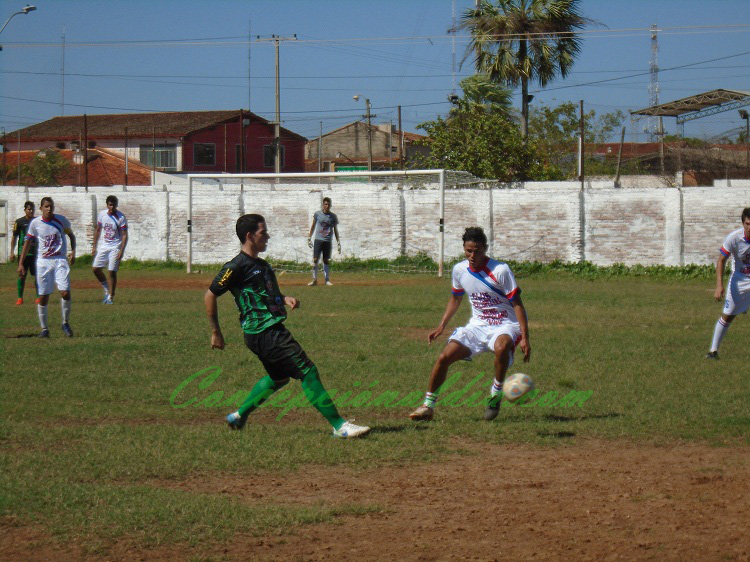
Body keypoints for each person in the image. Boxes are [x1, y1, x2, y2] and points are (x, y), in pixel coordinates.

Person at [205, 213, 370, 438]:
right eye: (263, 232)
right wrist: (216, 332)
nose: (268, 236)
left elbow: (265, 293)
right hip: (266, 332)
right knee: (308, 372)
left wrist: (284, 299)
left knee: (279, 378)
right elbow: (210, 295)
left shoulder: (262, 265)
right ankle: (339, 426)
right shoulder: (235, 266)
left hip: (262, 333)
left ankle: (239, 415)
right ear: (250, 236)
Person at [409, 227, 531, 422]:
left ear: (485, 249)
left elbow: (517, 304)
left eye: (477, 251)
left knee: (501, 347)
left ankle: (495, 395)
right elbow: (455, 298)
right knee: (444, 357)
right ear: (464, 249)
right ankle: (427, 407)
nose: (473, 256)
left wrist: (525, 337)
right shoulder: (459, 270)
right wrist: (441, 326)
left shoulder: (500, 270)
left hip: (505, 325)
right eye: (468, 251)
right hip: (477, 326)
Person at [18, 197, 76, 338]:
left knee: (65, 293)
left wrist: (73, 251)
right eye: (46, 206)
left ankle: (65, 322)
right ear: (41, 208)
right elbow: (27, 243)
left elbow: (71, 235)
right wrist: (21, 263)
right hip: (43, 262)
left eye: (51, 206)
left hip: (60, 260)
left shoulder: (61, 220)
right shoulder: (35, 223)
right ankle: (44, 329)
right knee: (43, 297)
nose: (49, 209)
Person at [705, 207, 750, 359]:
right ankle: (713, 351)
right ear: (743, 223)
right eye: (747, 224)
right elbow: (721, 260)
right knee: (728, 315)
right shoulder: (734, 238)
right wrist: (719, 285)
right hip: (739, 281)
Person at [92, 195, 128, 304]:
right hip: (104, 246)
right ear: (107, 205)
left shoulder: (121, 217)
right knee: (95, 269)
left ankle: (111, 297)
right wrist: (94, 246)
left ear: (117, 205)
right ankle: (107, 289)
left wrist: (121, 250)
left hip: (115, 246)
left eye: (114, 205)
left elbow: (124, 235)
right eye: (110, 205)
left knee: (111, 271)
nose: (112, 207)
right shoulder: (102, 215)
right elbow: (98, 230)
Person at [9, 201, 39, 305]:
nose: (31, 211)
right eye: (29, 209)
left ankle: (38, 298)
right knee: (22, 275)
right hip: (23, 254)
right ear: (25, 210)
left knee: (37, 275)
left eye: (32, 209)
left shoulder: (37, 221)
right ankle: (20, 298)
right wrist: (12, 252)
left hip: (35, 254)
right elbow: (14, 238)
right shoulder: (19, 222)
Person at [307, 197, 340, 286]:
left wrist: (338, 241)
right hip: (318, 240)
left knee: (326, 260)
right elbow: (313, 225)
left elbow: (335, 229)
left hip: (327, 241)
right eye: (325, 204)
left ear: (330, 205)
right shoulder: (317, 214)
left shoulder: (333, 216)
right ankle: (314, 280)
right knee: (315, 259)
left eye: (328, 204)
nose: (327, 206)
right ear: (323, 205)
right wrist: (309, 237)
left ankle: (327, 280)